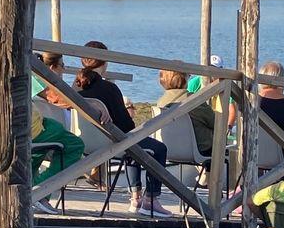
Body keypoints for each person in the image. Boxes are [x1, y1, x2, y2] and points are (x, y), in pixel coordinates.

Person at [74, 39, 172, 217]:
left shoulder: (76, 87)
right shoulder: (109, 88)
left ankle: (136, 198)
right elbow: (127, 125)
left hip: (89, 143)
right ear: (105, 62)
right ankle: (151, 200)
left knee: (131, 145)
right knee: (157, 148)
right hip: (114, 142)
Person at [30, 74, 84, 213]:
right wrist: (90, 105)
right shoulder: (24, 69)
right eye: (62, 65)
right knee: (74, 146)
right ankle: (39, 190)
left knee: (33, 156)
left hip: (26, 128)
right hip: (33, 130)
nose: (64, 68)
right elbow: (56, 98)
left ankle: (29, 191)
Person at [156, 69, 214, 154]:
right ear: (183, 79)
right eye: (188, 76)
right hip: (199, 150)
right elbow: (214, 122)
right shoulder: (193, 100)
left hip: (169, 148)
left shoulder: (160, 103)